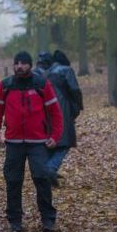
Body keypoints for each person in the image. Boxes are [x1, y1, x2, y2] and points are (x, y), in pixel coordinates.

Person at [0, 50, 63, 232]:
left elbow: (55, 112)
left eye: (23, 63)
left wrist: (55, 136)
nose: (19, 66)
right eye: (17, 63)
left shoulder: (41, 84)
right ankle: (14, 221)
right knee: (13, 181)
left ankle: (48, 220)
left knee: (42, 179)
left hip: (38, 142)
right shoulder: (5, 86)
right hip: (13, 142)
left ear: (30, 65)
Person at [42, 50, 84, 184]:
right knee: (65, 142)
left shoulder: (45, 73)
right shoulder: (66, 70)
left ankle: (48, 170)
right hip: (62, 109)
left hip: (45, 110)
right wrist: (78, 106)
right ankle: (50, 168)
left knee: (50, 141)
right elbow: (75, 90)